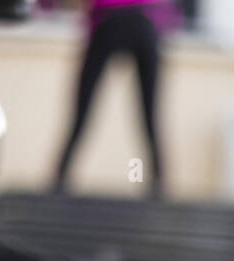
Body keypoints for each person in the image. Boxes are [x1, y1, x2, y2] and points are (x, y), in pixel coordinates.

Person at [54, 0, 177, 195]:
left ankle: (59, 180)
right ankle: (158, 184)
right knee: (150, 116)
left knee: (82, 112)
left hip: (110, 20)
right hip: (143, 20)